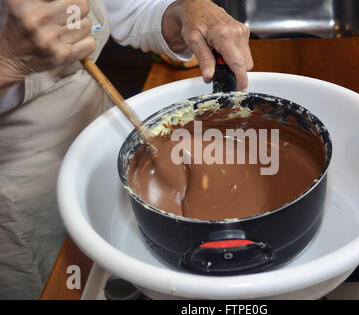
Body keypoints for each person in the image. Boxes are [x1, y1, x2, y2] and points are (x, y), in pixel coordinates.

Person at [0, 0, 253, 299]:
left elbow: (123, 12)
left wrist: (182, 12)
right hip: (24, 192)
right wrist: (7, 62)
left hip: (105, 137)